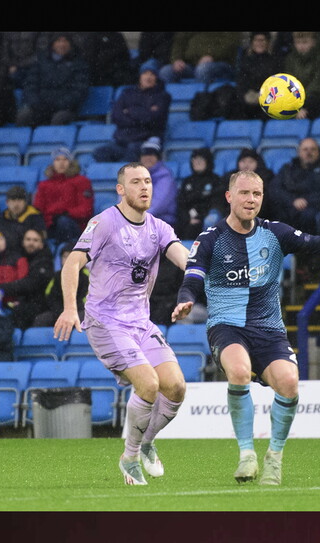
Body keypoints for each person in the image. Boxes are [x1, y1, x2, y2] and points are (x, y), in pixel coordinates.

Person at [171, 168, 320, 486]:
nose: (250, 199)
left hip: (269, 330)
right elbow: (193, 275)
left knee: (289, 383)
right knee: (239, 371)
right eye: (244, 193)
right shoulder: (211, 238)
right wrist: (186, 298)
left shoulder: (275, 233)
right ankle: (247, 454)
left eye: (257, 194)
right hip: (227, 326)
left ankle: (274, 458)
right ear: (229, 197)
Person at [54, 161, 192, 486]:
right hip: (105, 322)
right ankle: (129, 458)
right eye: (136, 182)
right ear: (121, 189)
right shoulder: (104, 223)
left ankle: (145, 443)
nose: (144, 187)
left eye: (147, 181)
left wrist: (195, 285)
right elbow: (72, 263)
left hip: (140, 323)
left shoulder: (158, 228)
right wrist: (69, 308)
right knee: (148, 384)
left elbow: (183, 258)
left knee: (176, 386)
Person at [92, 65, 171, 163]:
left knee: (132, 151)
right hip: (122, 141)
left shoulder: (163, 96)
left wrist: (130, 111)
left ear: (156, 78)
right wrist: (143, 113)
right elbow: (116, 116)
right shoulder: (127, 93)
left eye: (152, 74)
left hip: (144, 140)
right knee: (99, 152)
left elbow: (153, 119)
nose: (148, 77)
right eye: (145, 73)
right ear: (140, 76)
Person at [263, 137, 320, 236]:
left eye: (313, 149)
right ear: (299, 152)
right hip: (288, 207)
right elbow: (275, 189)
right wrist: (292, 201)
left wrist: (306, 201)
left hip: (313, 209)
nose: (309, 152)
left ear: (318, 152)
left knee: (309, 216)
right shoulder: (287, 169)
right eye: (305, 149)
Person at [16, 33, 90, 127]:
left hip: (65, 109)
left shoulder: (79, 64)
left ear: (70, 44)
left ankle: (54, 141)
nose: (62, 44)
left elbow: (79, 91)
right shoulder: (40, 62)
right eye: (58, 41)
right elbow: (30, 86)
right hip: (40, 107)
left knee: (59, 119)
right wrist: (36, 103)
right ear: (52, 44)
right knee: (24, 115)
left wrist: (60, 104)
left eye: (65, 41)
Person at [0, 227, 55, 330]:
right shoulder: (18, 258)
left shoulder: (45, 262)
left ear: (41, 244)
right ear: (23, 242)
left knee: (19, 313)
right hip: (21, 301)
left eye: (35, 240)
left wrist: (2, 288)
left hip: (40, 304)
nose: (31, 243)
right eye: (28, 239)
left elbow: (31, 284)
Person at [33, 147, 95, 246]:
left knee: (63, 222)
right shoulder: (44, 185)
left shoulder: (82, 181)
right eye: (57, 160)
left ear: (70, 162)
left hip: (74, 224)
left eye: (65, 159)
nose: (61, 163)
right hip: (50, 224)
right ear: (53, 163)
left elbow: (86, 209)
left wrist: (66, 213)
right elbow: (38, 208)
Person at [32, 243, 89, 328]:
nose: (68, 260)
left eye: (71, 257)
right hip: (59, 311)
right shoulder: (57, 276)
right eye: (65, 256)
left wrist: (71, 311)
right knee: (41, 320)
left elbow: (86, 299)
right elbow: (50, 297)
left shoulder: (87, 277)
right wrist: (61, 312)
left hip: (79, 311)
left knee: (83, 318)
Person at [282, 32, 320, 120]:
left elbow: (319, 83)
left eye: (305, 42)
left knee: (313, 103)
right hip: (296, 98)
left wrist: (300, 101)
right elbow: (289, 81)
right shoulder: (290, 59)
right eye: (298, 42)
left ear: (314, 42)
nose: (301, 46)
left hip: (319, 98)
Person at [175, 147, 223, 240]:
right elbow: (181, 204)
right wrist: (188, 219)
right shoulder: (187, 181)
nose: (197, 162)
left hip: (205, 220)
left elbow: (216, 203)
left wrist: (200, 217)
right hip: (187, 220)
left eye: (201, 159)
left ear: (208, 161)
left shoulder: (216, 180)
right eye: (194, 159)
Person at [234, 32, 283, 120]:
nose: (259, 43)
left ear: (267, 42)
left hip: (269, 101)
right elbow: (241, 82)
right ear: (252, 43)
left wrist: (262, 96)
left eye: (262, 40)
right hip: (249, 102)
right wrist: (246, 95)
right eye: (256, 40)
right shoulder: (245, 61)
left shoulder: (276, 61)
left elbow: (278, 82)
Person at [159, 32, 240, 85]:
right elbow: (179, 42)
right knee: (166, 72)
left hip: (220, 64)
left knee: (202, 70)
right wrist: (177, 59)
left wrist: (212, 55)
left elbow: (231, 43)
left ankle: (202, 104)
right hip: (192, 65)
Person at [137, 137, 178, 226]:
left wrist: (136, 218)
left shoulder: (165, 176)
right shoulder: (135, 175)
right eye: (145, 154)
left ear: (158, 157)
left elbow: (158, 204)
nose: (148, 158)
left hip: (162, 222)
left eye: (152, 154)